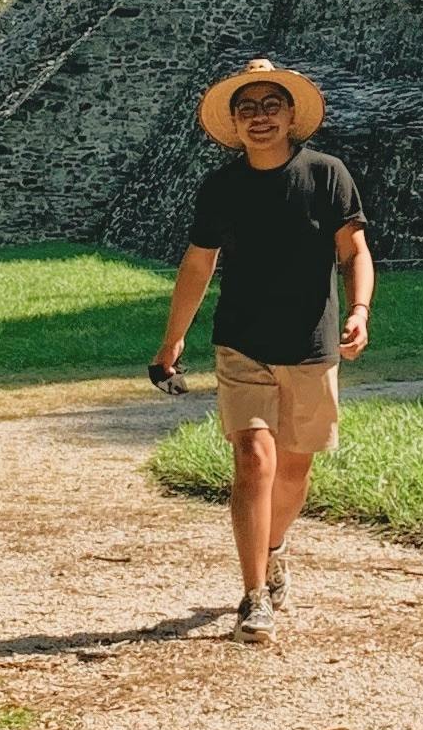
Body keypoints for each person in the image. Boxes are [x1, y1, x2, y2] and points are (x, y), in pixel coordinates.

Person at [149, 58, 372, 642]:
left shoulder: (327, 175)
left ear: (292, 115)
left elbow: (354, 251)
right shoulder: (222, 186)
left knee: (295, 469)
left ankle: (274, 549)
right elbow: (199, 264)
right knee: (254, 460)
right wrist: (173, 339)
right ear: (234, 121)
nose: (259, 118)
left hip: (311, 343)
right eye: (246, 109)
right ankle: (253, 596)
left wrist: (360, 310)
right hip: (241, 342)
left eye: (271, 105)